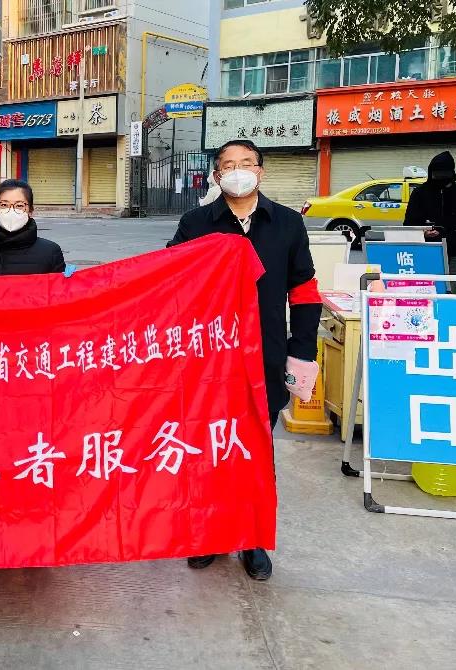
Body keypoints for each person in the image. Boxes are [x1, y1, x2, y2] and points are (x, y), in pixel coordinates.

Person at [167, 139, 322, 581]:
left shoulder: (287, 223)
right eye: (228, 165)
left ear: (260, 171)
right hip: (209, 360)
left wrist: (301, 351)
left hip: (266, 356)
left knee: (255, 449)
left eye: (246, 163)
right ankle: (212, 535)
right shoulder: (196, 223)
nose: (238, 171)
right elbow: (168, 280)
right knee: (209, 448)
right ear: (217, 176)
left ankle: (252, 539)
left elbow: (304, 291)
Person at [0, 179, 75, 278]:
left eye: (19, 205)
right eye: (4, 205)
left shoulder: (50, 252)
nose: (11, 210)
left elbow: (61, 296)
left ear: (31, 210)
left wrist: (72, 280)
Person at [403, 151, 456, 293]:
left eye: (445, 174)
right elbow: (409, 223)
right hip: (426, 250)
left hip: (454, 250)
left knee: (451, 290)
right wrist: (423, 231)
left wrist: (451, 227)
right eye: (437, 174)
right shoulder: (420, 193)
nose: (441, 179)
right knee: (426, 289)